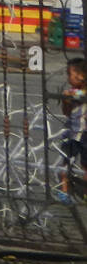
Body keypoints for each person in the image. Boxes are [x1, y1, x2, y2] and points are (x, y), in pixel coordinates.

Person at [55, 58, 87, 203]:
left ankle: (85, 192)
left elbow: (82, 94)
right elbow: (67, 113)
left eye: (71, 74)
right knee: (66, 161)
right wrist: (66, 102)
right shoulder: (71, 92)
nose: (68, 78)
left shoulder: (80, 92)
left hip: (85, 133)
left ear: (82, 75)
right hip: (72, 132)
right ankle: (64, 190)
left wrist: (75, 95)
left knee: (85, 165)